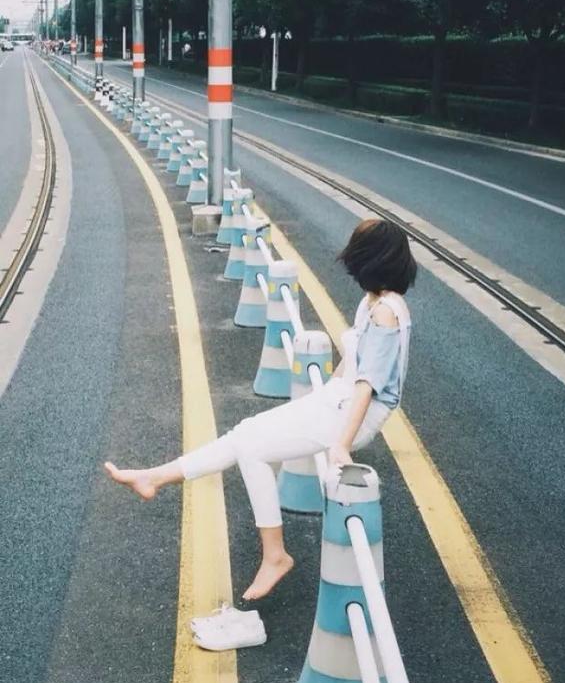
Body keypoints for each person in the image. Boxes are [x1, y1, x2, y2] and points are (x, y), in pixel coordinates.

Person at [105, 218, 416, 601]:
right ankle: (154, 477)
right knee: (245, 433)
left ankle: (275, 555)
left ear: (371, 259)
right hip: (338, 399)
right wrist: (322, 396)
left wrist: (341, 444)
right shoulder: (372, 302)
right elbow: (354, 364)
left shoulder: (387, 312)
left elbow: (368, 383)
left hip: (355, 413)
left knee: (252, 448)